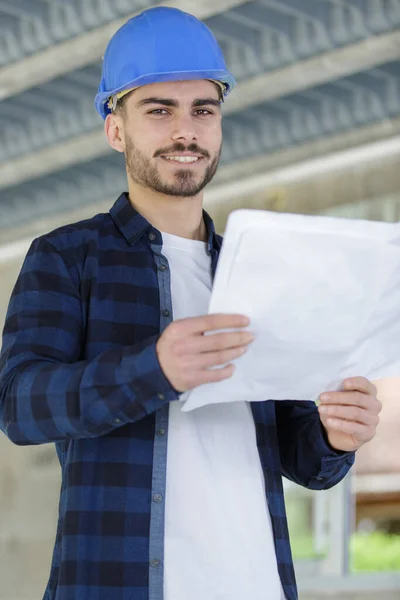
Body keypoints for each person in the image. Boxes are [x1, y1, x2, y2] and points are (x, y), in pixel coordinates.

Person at [0, 7, 381, 600]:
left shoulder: (260, 272)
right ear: (116, 129)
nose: (187, 130)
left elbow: (301, 456)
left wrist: (337, 436)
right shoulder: (68, 257)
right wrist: (152, 370)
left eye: (204, 109)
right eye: (160, 110)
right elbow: (20, 407)